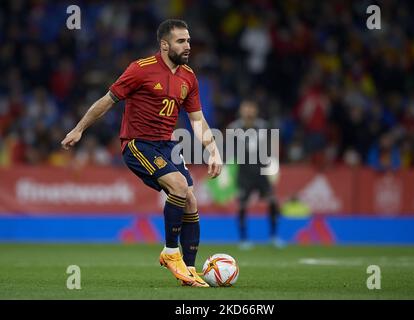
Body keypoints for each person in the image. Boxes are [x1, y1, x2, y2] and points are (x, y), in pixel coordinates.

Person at [61, 19, 222, 287]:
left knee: (191, 200)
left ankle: (189, 270)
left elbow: (197, 119)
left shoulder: (188, 77)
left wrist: (213, 151)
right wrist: (79, 129)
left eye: (189, 41)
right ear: (164, 44)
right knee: (180, 186)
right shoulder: (141, 69)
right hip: (138, 144)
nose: (188, 46)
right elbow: (107, 100)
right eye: (181, 41)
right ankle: (171, 253)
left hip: (167, 145)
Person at [227, 99, 283, 249]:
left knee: (272, 202)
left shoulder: (263, 126)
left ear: (256, 110)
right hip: (244, 174)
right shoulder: (234, 128)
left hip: (262, 172)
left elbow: (271, 148)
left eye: (251, 108)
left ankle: (273, 236)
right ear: (241, 111)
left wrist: (273, 165)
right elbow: (227, 151)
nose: (249, 111)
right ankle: (243, 239)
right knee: (242, 205)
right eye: (246, 108)